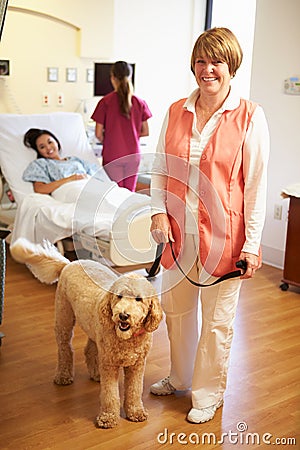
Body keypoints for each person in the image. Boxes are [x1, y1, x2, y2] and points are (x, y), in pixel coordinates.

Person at [149, 27, 269, 424]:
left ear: (231, 66)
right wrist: (157, 211)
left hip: (225, 239)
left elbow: (254, 186)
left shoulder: (250, 116)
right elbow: (160, 170)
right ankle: (179, 376)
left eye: (216, 61)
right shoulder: (175, 111)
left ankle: (207, 393)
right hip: (178, 235)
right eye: (200, 61)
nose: (207, 69)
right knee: (177, 311)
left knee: (217, 322)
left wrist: (252, 243)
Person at [91, 61, 152, 191]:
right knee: (129, 194)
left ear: (112, 78)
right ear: (130, 77)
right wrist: (132, 135)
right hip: (133, 155)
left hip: (113, 155)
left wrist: (110, 139)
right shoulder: (140, 102)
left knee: (114, 194)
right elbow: (145, 131)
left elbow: (98, 133)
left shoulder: (105, 102)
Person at [22, 128, 99, 194]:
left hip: (87, 185)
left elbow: (96, 174)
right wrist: (70, 179)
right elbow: (40, 189)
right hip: (69, 190)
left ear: (56, 142)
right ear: (38, 151)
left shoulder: (75, 160)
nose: (48, 148)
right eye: (42, 147)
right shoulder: (41, 164)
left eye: (50, 142)